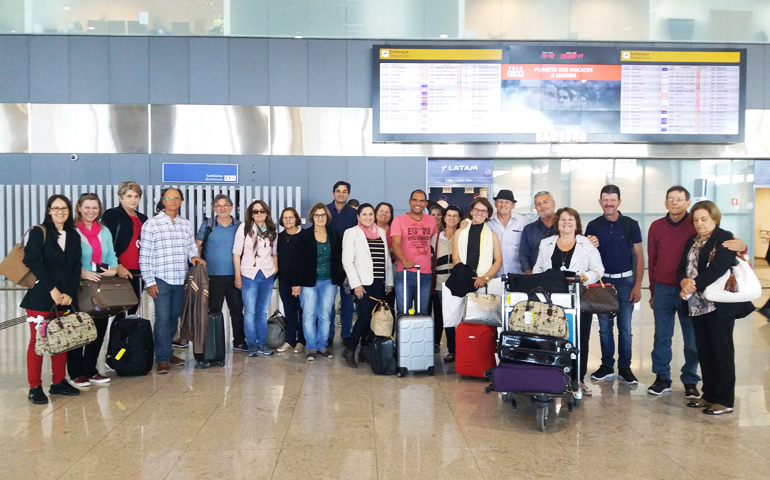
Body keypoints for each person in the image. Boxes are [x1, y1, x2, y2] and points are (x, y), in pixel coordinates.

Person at [677, 200, 755, 415]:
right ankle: (709, 394)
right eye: (696, 220)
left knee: (721, 351)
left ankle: (725, 399)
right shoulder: (692, 240)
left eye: (704, 219)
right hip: (697, 305)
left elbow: (720, 267)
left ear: (715, 218)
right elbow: (682, 267)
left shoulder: (724, 237)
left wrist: (693, 285)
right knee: (705, 351)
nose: (699, 224)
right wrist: (683, 281)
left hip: (718, 305)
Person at [533, 207, 604, 395]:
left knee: (580, 339)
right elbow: (537, 267)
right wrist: (542, 280)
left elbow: (599, 269)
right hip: (551, 300)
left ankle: (578, 379)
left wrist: (582, 278)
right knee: (551, 337)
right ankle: (551, 377)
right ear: (557, 223)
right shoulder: (546, 243)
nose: (566, 222)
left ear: (577, 223)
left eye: (571, 219)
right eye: (562, 219)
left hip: (578, 299)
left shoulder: (586, 244)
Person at [22, 195, 82, 404]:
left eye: (64, 208)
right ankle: (34, 387)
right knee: (38, 343)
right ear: (49, 210)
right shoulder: (40, 232)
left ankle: (58, 382)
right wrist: (53, 290)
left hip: (64, 297)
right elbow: (31, 260)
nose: (60, 212)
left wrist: (69, 294)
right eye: (55, 208)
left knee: (61, 341)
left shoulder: (74, 235)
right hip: (41, 297)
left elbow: (75, 266)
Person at [139, 188, 205, 374]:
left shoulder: (185, 223)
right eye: (169, 198)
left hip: (180, 279)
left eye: (176, 198)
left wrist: (193, 257)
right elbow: (145, 255)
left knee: (175, 317)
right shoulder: (151, 224)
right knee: (162, 318)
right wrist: (149, 281)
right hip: (160, 279)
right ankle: (161, 358)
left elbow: (190, 246)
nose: (173, 201)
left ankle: (167, 352)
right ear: (163, 200)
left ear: (181, 201)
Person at [585, 185, 644, 386]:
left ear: (619, 202)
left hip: (626, 282)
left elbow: (639, 256)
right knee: (604, 328)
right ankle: (607, 366)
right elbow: (587, 255)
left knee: (625, 329)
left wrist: (638, 285)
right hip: (602, 284)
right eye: (605, 199)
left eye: (612, 200)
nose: (608, 203)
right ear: (600, 202)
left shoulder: (630, 225)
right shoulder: (593, 226)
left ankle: (625, 368)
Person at [67, 193, 118, 387]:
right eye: (87, 207)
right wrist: (82, 273)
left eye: (95, 208)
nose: (91, 211)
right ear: (79, 208)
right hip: (78, 287)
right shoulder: (71, 231)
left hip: (100, 287)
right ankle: (76, 371)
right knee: (78, 329)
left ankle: (91, 369)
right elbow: (67, 260)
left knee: (98, 329)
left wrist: (113, 269)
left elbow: (111, 254)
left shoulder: (104, 231)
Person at [341, 204, 393, 367]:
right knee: (364, 317)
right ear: (358, 217)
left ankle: (365, 350)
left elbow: (387, 260)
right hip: (362, 283)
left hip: (379, 282)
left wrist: (389, 281)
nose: (368, 217)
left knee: (373, 318)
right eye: (365, 214)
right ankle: (350, 349)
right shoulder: (352, 233)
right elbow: (347, 261)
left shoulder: (382, 233)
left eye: (371, 214)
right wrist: (355, 284)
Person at [292, 203, 344, 361]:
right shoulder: (304, 235)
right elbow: (297, 261)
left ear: (327, 217)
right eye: (317, 215)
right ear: (312, 217)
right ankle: (312, 347)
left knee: (326, 315)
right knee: (308, 315)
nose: (320, 218)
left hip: (329, 282)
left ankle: (322, 346)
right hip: (308, 283)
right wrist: (296, 283)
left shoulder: (334, 234)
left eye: (323, 215)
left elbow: (340, 257)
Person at [196, 194, 246, 352]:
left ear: (231, 207)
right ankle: (212, 341)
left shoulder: (240, 226)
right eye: (218, 205)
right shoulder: (208, 225)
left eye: (226, 205)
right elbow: (197, 246)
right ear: (214, 208)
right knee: (213, 311)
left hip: (235, 276)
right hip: (212, 276)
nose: (222, 208)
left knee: (237, 311)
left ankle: (238, 341)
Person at [233, 200, 278, 357]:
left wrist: (275, 268)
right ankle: (251, 343)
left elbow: (274, 251)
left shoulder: (272, 229)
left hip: (266, 274)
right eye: (255, 211)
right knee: (250, 311)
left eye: (262, 211)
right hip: (249, 275)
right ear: (251, 214)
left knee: (262, 311)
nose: (259, 214)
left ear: (267, 212)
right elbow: (236, 253)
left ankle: (262, 343)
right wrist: (237, 275)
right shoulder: (244, 228)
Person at [102, 181, 148, 320]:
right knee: (119, 311)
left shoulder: (143, 218)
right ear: (121, 197)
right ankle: (116, 341)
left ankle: (125, 341)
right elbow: (107, 244)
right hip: (120, 271)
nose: (133, 200)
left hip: (138, 273)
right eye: (129, 196)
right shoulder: (112, 215)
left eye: (136, 196)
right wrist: (118, 266)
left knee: (132, 310)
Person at [391, 189, 438, 315]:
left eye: (421, 200)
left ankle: (419, 335)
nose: (418, 203)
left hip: (425, 273)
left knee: (422, 311)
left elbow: (434, 244)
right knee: (403, 311)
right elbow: (395, 244)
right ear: (409, 202)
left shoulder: (431, 221)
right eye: (415, 200)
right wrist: (404, 261)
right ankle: (402, 335)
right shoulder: (399, 220)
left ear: (426, 204)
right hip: (405, 272)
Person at [327, 181, 358, 345]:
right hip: (328, 262)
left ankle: (346, 334)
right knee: (328, 301)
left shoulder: (354, 214)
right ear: (333, 193)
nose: (341, 194)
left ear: (348, 194)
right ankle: (328, 335)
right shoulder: (324, 211)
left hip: (348, 263)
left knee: (347, 301)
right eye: (338, 191)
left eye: (344, 192)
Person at [432, 206, 462, 362]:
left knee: (463, 317)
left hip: (461, 283)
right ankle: (452, 350)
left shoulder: (464, 235)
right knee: (447, 317)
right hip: (442, 284)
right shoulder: (436, 238)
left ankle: (464, 349)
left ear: (459, 218)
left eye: (455, 215)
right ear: (444, 218)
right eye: (448, 215)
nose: (451, 218)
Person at [276, 207, 305, 354]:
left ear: (296, 219)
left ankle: (301, 340)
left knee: (302, 311)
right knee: (289, 311)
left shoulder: (304, 236)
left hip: (300, 282)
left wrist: (298, 282)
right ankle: (289, 340)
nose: (288, 220)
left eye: (291, 217)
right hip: (284, 281)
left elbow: (305, 261)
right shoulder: (279, 237)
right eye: (285, 217)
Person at [487, 189, 528, 277]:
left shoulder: (522, 221)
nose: (503, 205)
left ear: (513, 205)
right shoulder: (487, 221)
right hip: (493, 274)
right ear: (495, 204)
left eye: (507, 202)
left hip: (518, 273)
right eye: (500, 201)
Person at [520, 191, 557, 274]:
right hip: (537, 276)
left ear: (553, 204)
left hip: (563, 277)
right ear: (536, 208)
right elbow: (524, 256)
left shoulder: (565, 226)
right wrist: (531, 277)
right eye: (538, 204)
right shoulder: (529, 229)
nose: (542, 206)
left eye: (545, 202)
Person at [428, 203, 445, 351]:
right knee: (426, 311)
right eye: (433, 215)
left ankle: (436, 341)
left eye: (439, 215)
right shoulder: (427, 234)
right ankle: (426, 340)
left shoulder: (447, 234)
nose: (436, 218)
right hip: (428, 277)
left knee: (439, 312)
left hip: (441, 279)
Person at [375, 202, 397, 313]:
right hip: (372, 270)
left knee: (389, 303)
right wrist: (390, 249)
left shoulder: (395, 228)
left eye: (387, 212)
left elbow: (399, 247)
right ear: (375, 213)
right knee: (374, 303)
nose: (384, 214)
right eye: (381, 211)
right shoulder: (370, 228)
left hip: (391, 269)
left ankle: (389, 328)